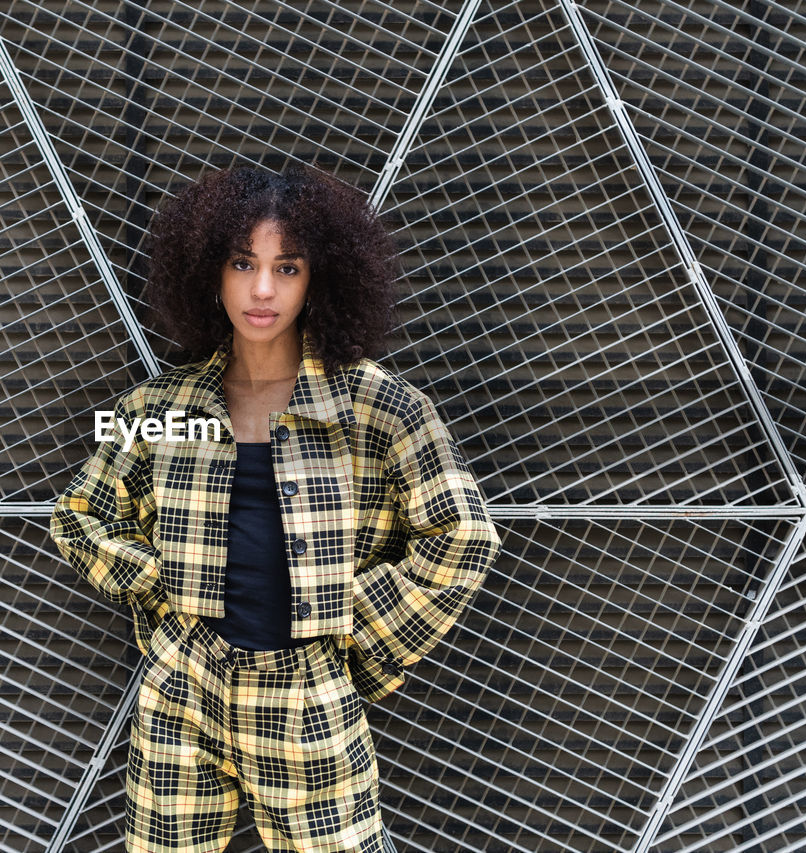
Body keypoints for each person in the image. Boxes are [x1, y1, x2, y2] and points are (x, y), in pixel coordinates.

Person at [50, 162, 500, 853]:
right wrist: (166, 583)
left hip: (306, 696)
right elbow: (79, 515)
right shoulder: (162, 409)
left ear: (322, 276)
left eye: (287, 267)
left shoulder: (377, 406)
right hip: (183, 687)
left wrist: (351, 634)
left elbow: (464, 535)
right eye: (242, 263)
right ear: (209, 271)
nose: (262, 289)